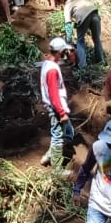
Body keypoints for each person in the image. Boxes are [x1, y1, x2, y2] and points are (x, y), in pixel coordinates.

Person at [39, 37, 75, 168]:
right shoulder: (52, 70)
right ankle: (57, 169)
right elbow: (54, 95)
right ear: (60, 52)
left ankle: (49, 155)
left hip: (56, 106)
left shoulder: (47, 64)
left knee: (69, 132)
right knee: (58, 136)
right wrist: (61, 113)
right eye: (64, 51)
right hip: (56, 107)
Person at [63, 0, 105, 68]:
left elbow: (68, 24)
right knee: (97, 39)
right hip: (95, 14)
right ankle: (100, 62)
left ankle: (83, 66)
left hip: (83, 17)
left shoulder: (68, 4)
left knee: (80, 41)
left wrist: (68, 42)